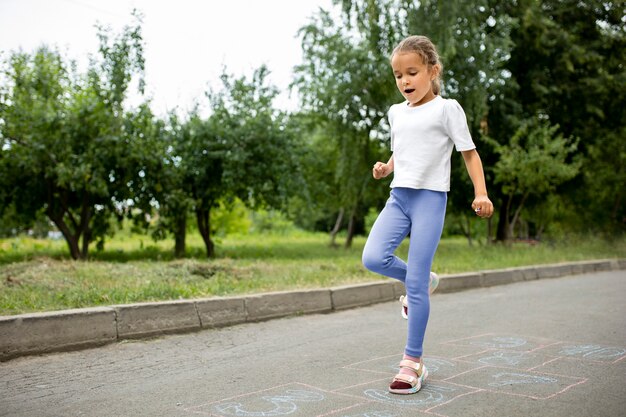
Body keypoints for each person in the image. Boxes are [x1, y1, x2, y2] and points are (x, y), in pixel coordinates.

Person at [361, 35, 494, 395]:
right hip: (399, 197)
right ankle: (423, 281)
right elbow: (401, 149)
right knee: (373, 257)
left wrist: (481, 193)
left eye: (412, 73)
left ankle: (412, 362)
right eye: (398, 75)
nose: (404, 81)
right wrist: (386, 168)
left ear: (432, 71)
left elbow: (469, 154)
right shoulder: (395, 112)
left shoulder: (447, 109)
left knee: (415, 285)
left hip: (430, 201)